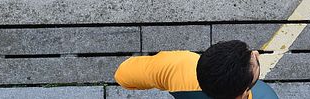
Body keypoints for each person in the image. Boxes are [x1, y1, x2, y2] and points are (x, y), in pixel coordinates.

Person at [114, 40, 278, 99]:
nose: (256, 53)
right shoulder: (266, 96)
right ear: (243, 94)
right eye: (256, 63)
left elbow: (123, 76)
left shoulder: (179, 66)